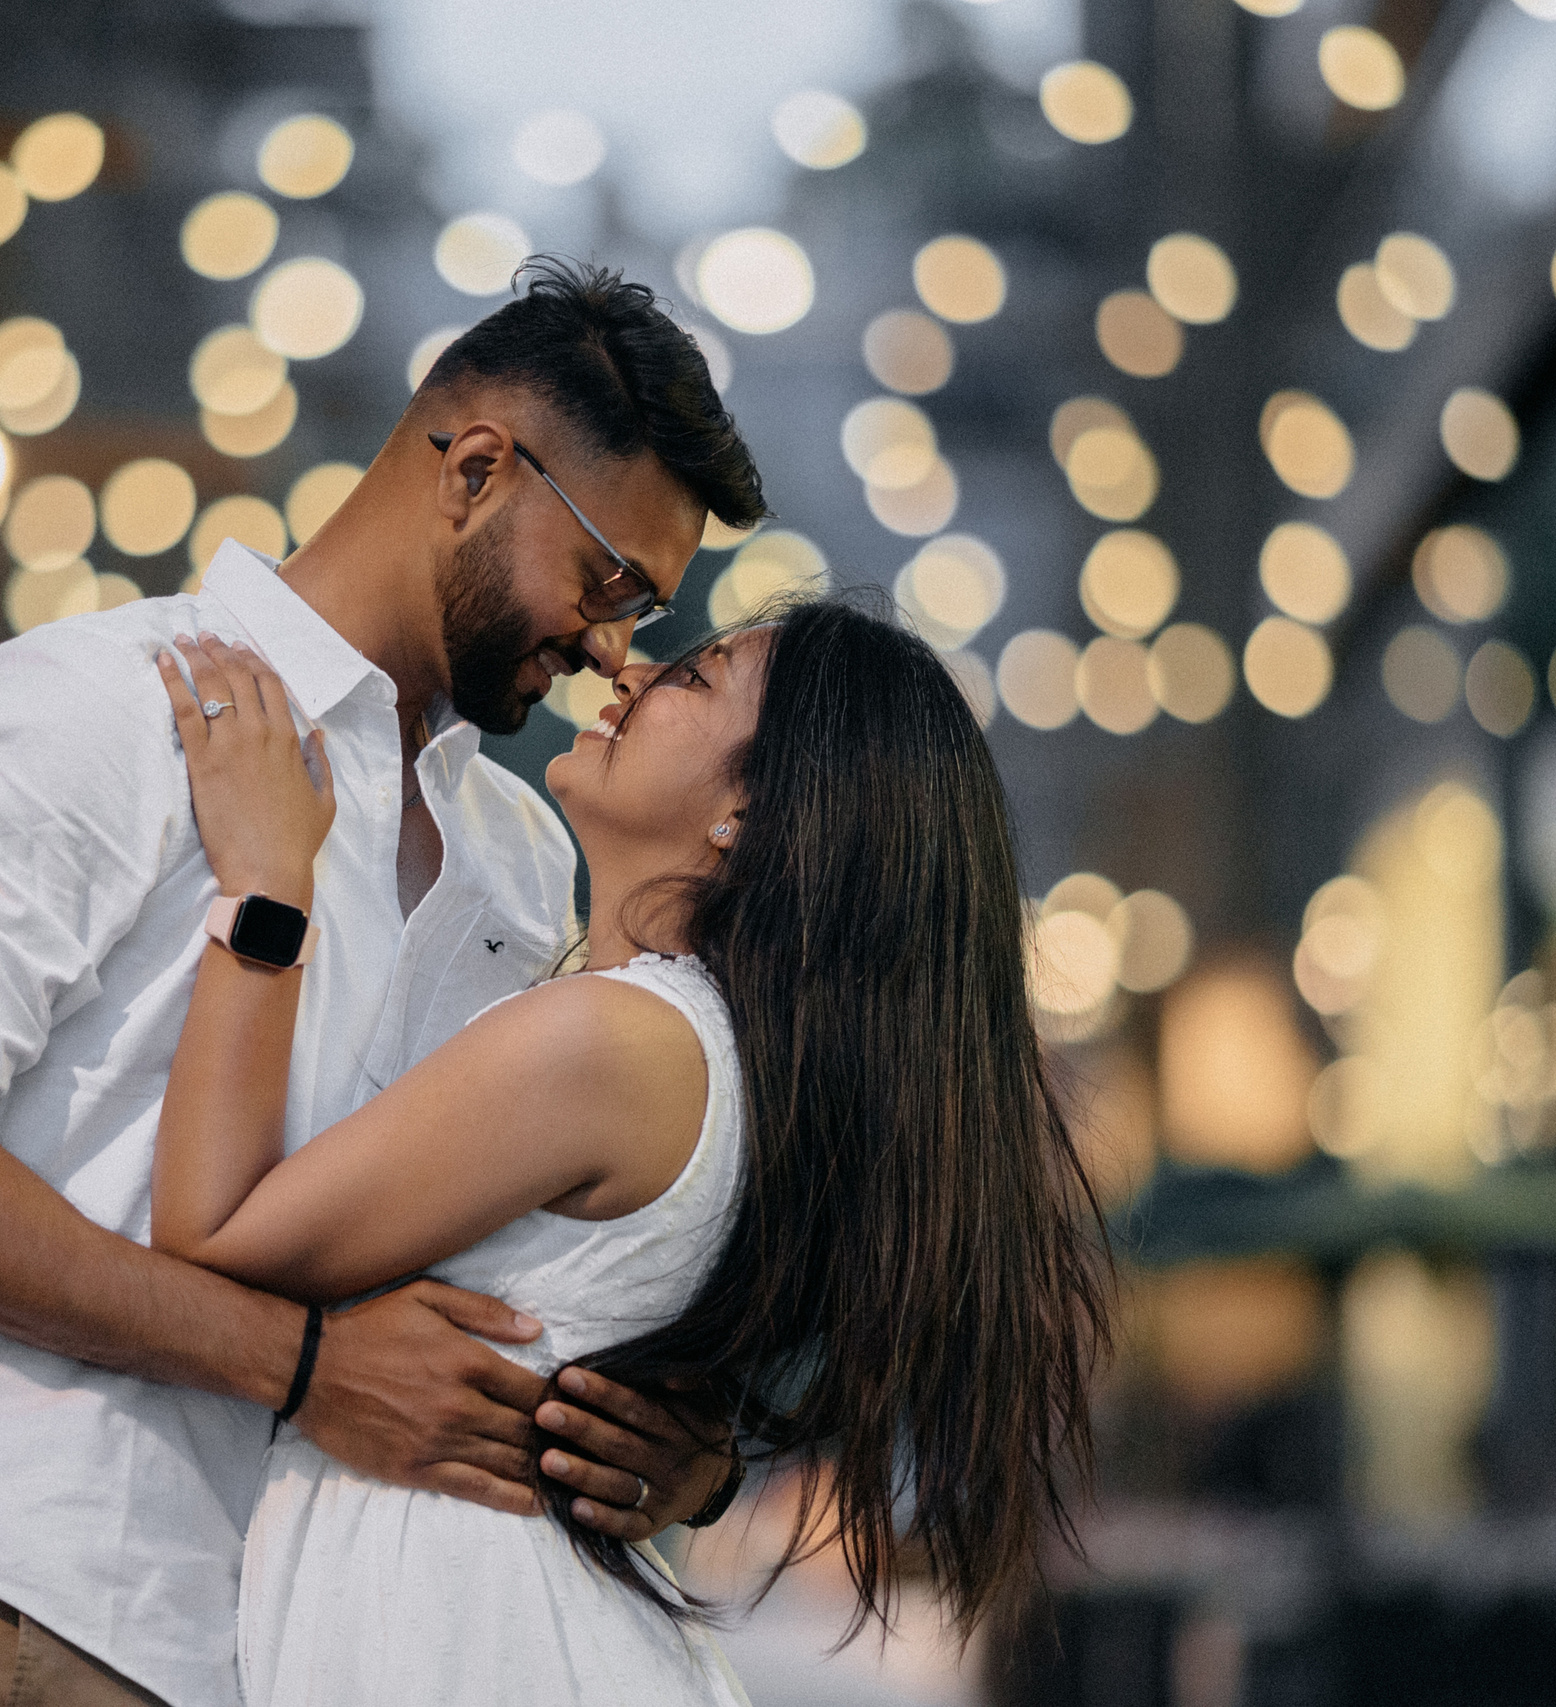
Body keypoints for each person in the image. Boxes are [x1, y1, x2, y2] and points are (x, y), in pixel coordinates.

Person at [0, 259, 769, 1707]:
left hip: (325, 1641)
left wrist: (683, 1449)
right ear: (477, 471)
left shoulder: (515, 852)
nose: (611, 647)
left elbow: (479, 1253)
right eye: (608, 580)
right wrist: (300, 1366)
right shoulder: (106, 706)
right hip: (58, 1598)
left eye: (647, 612)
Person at [146, 597, 1111, 1706]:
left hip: (473, 1637)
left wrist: (269, 881)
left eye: (693, 679)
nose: (631, 672)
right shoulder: (717, 1056)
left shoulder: (615, 1044)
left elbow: (212, 1230)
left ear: (747, 815)